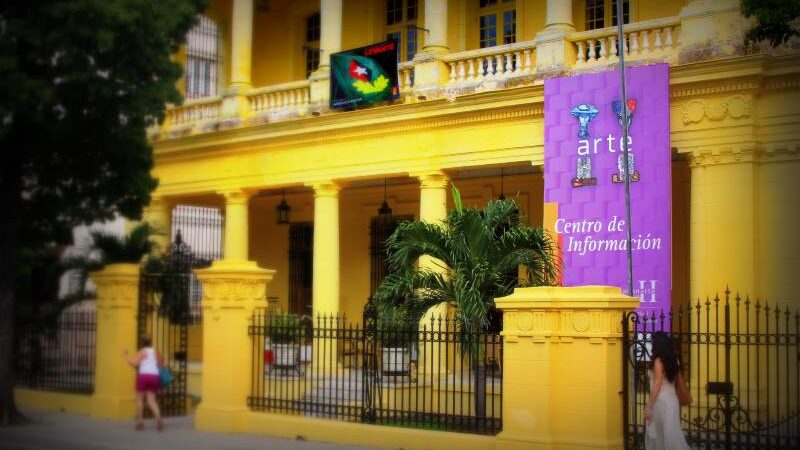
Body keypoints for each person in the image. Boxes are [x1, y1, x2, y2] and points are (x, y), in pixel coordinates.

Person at [645, 331, 690, 450]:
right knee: (672, 434)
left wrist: (649, 406)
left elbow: (657, 385)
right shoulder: (673, 360)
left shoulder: (658, 361)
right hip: (672, 401)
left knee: (661, 435)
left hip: (661, 402)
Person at [123, 335, 163, 431]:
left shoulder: (142, 351)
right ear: (151, 342)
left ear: (142, 342)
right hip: (154, 376)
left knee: (140, 399)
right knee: (151, 401)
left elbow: (134, 363)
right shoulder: (155, 352)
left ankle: (140, 423)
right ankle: (158, 418)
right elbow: (160, 364)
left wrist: (126, 356)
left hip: (144, 376)